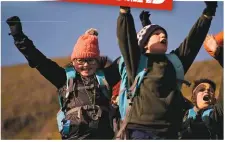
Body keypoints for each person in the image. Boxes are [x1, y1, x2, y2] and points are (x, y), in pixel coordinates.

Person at [6, 17, 121, 139]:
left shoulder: (106, 77)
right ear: (74, 61)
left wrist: (143, 37)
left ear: (97, 61)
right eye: (81, 60)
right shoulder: (63, 78)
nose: (86, 65)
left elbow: (129, 57)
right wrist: (18, 37)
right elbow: (38, 59)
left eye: (90, 60)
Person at [116, 1, 218, 139]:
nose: (163, 36)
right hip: (139, 131)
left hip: (170, 132)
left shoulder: (174, 62)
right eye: (157, 33)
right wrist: (124, 12)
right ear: (145, 44)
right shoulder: (136, 62)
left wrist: (208, 14)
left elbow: (193, 41)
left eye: (164, 35)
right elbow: (126, 38)